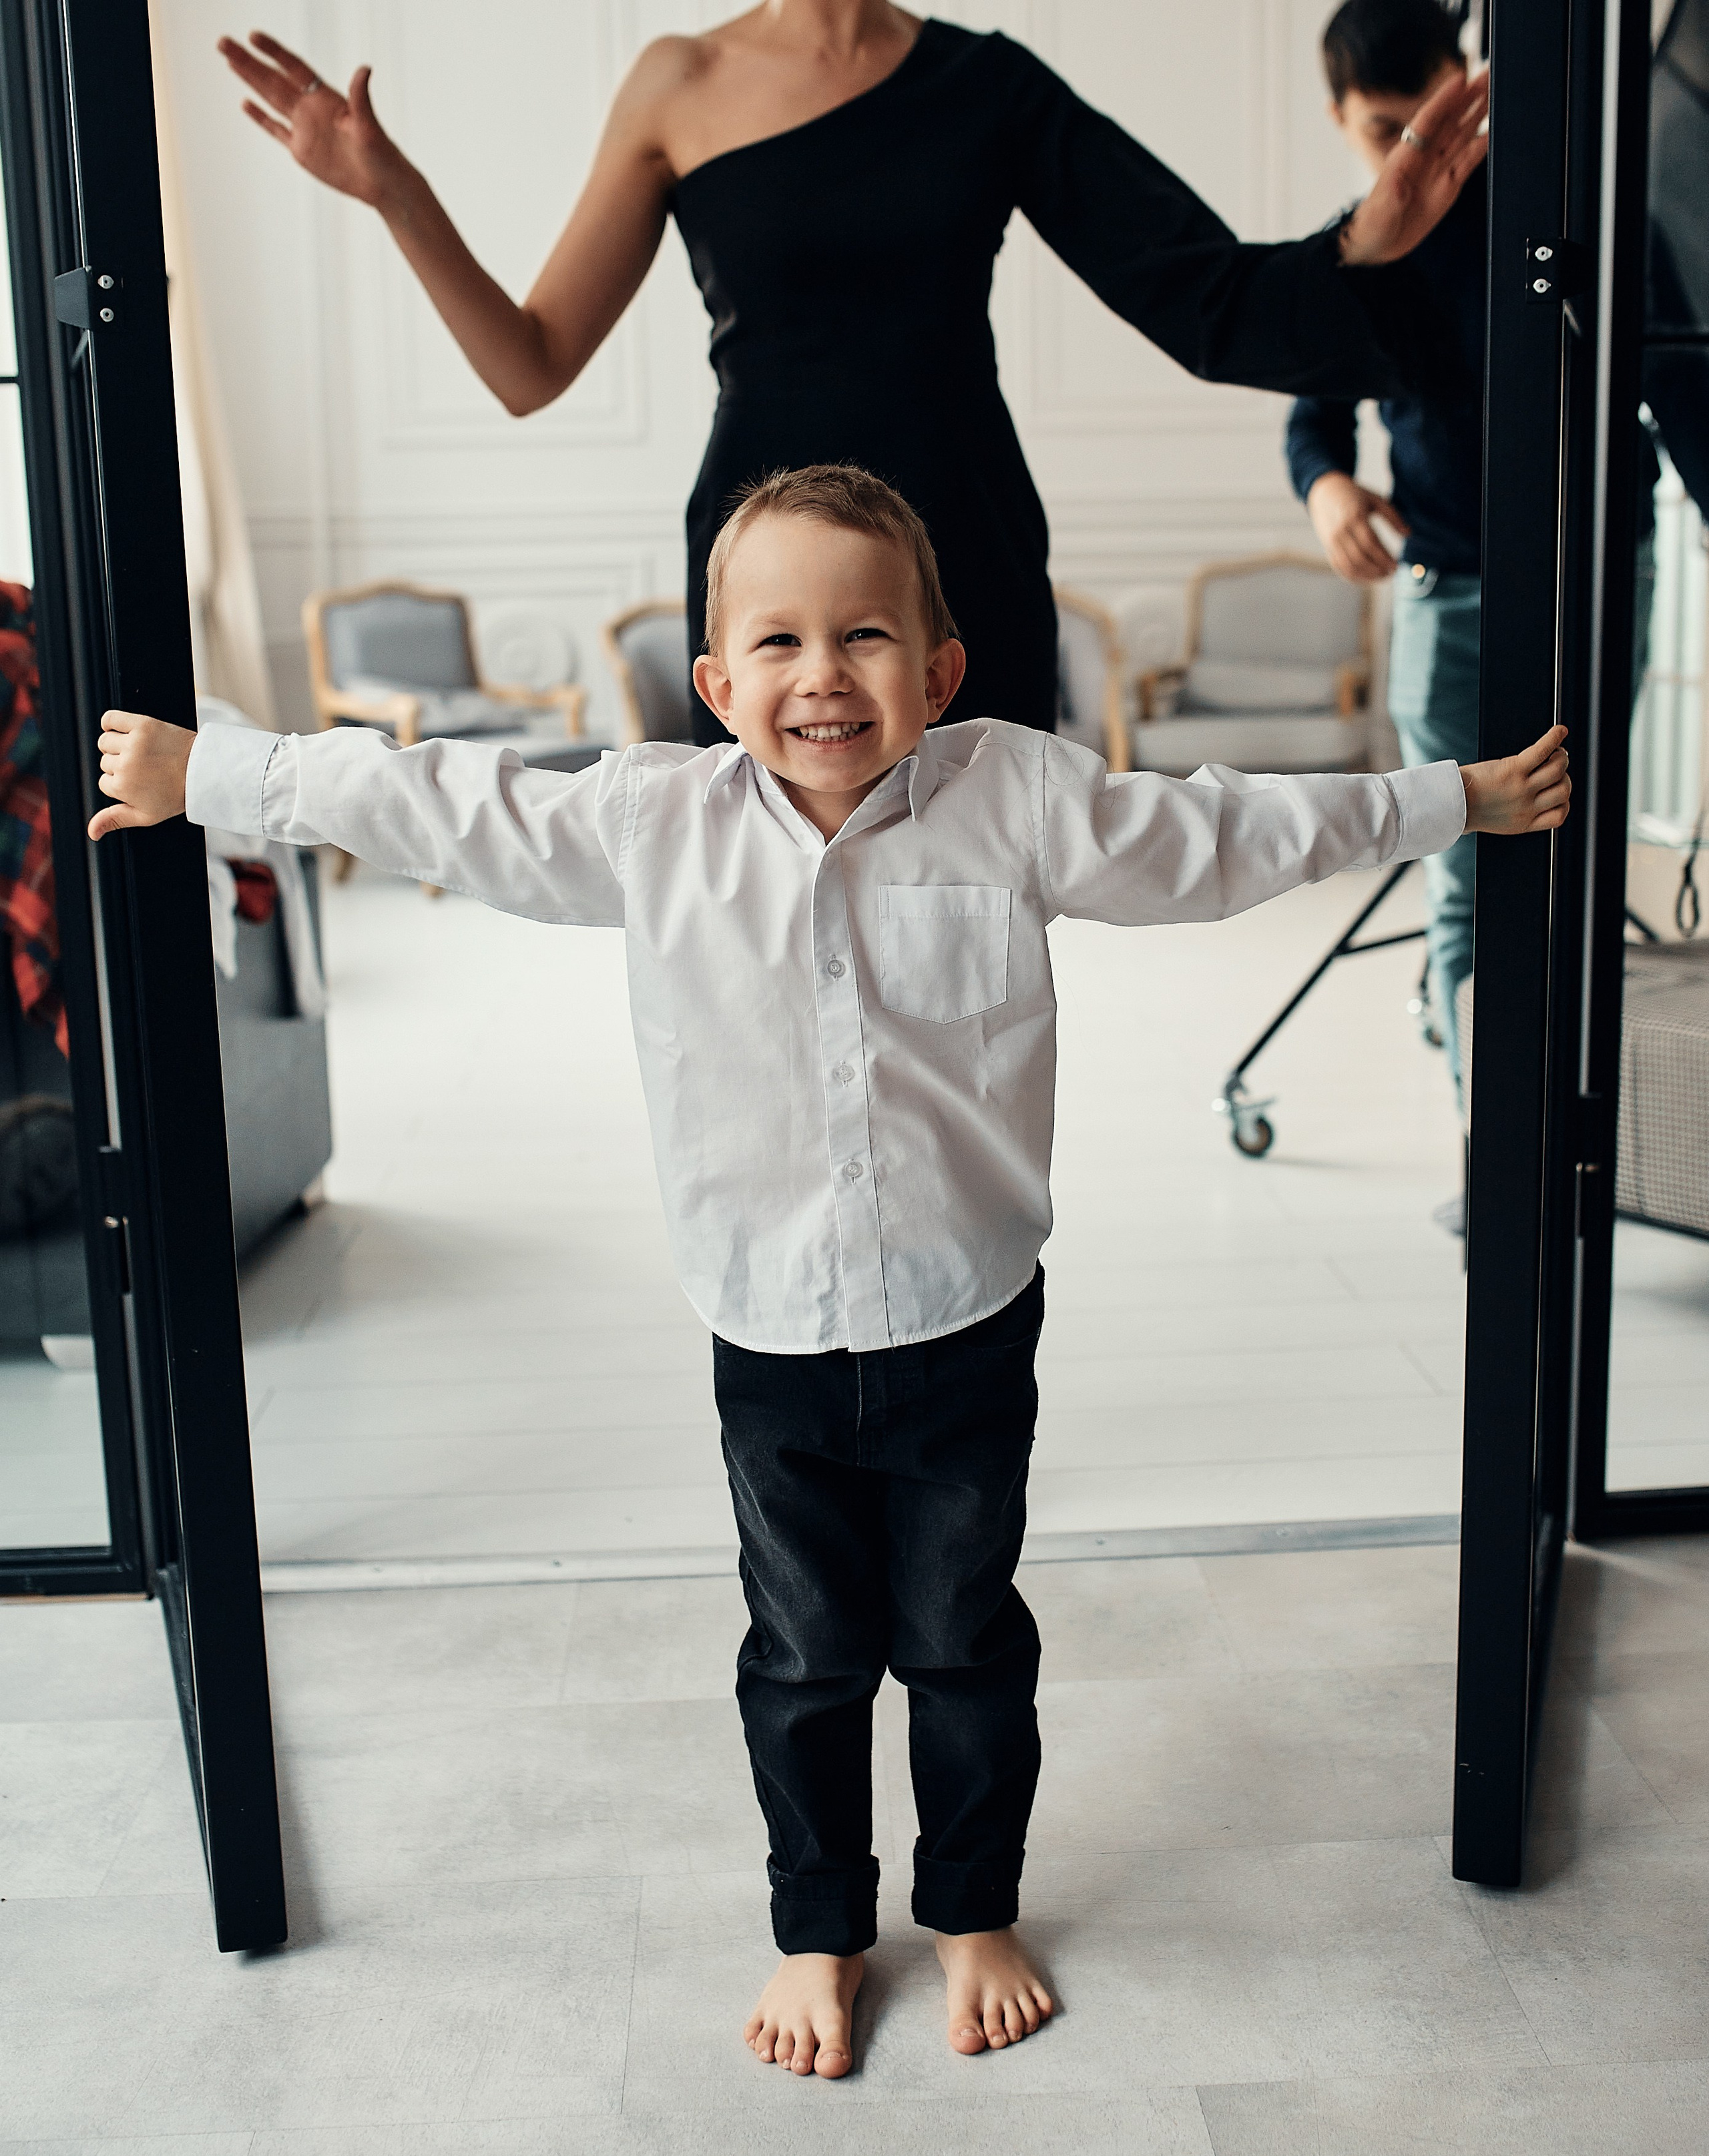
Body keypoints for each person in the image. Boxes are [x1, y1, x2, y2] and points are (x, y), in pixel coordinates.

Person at [87, 465, 1569, 2076]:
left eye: (866, 635)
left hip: (966, 1322)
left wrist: (1450, 802)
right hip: (768, 1337)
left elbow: (1222, 833)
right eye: (777, 643)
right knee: (801, 1660)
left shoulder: (1013, 795)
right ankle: (817, 1926)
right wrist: (210, 774)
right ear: (714, 684)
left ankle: (974, 1905)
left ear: (939, 668)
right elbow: (439, 798)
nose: (822, 675)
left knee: (961, 1642)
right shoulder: (650, 822)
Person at [219, 3, 1489, 742]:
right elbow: (531, 363)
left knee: (972, 944)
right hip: (764, 571)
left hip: (961, 562)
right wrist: (393, 192)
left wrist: (1366, 241)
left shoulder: (987, 83)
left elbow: (1199, 300)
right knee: (775, 940)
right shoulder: (680, 80)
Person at [1288, 0, 1662, 1234]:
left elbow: (1680, 384)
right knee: (1466, 888)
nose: (1406, 155)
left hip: (1605, 569)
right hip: (1449, 592)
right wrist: (1329, 483)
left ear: (1473, 84)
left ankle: (1586, 1151)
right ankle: (1495, 1154)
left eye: (1427, 121)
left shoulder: (1585, 211)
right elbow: (1313, 419)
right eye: (1378, 134)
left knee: (1581, 871)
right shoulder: (1363, 243)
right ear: (1344, 120)